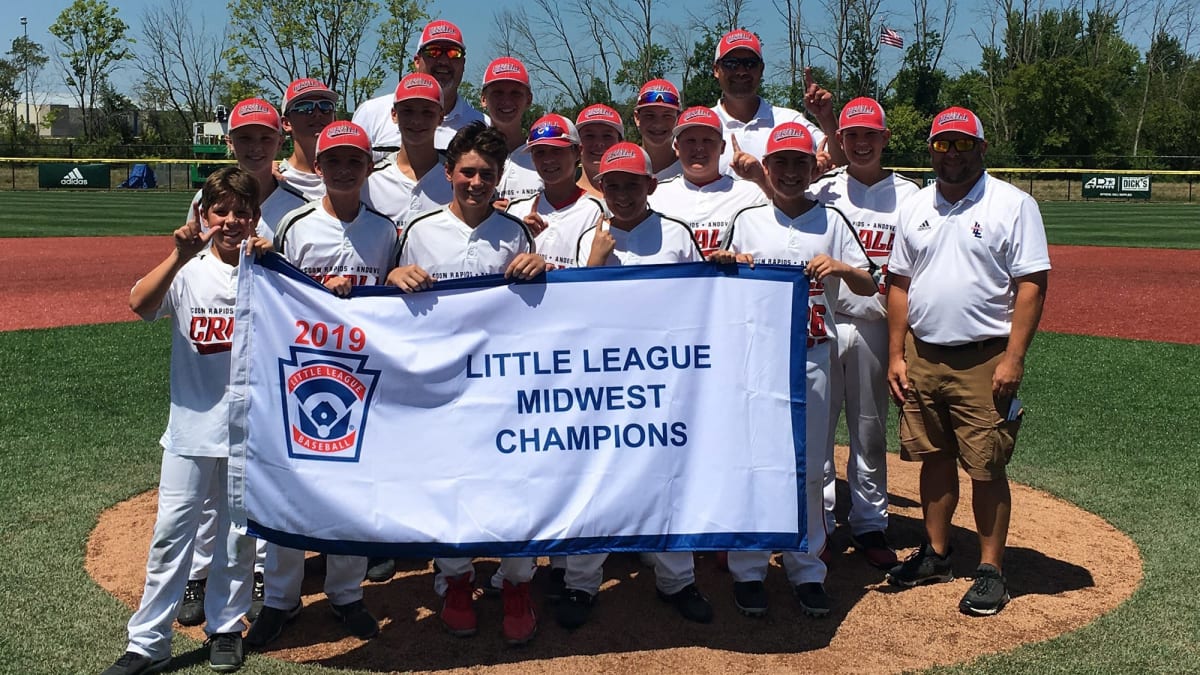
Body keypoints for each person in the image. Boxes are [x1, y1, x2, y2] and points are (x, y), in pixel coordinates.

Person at [102, 167, 269, 675]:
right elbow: (138, 304)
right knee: (172, 532)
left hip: (250, 431)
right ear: (203, 215)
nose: (232, 221)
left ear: (255, 216)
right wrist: (177, 252)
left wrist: (274, 259)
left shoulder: (269, 269)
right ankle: (148, 642)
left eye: (242, 211)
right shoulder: (188, 270)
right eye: (221, 211)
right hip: (191, 429)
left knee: (238, 535)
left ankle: (225, 626)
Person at [885, 106, 1051, 617]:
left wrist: (1014, 358)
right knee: (932, 457)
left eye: (961, 144)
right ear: (930, 149)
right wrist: (896, 352)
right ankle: (936, 553)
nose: (950, 154)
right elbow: (899, 283)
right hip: (924, 354)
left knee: (985, 465)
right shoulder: (915, 204)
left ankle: (991, 570)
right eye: (941, 144)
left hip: (985, 358)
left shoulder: (1013, 204)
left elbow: (1031, 284)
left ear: (981, 148)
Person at [385, 121, 546, 646]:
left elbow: (535, 312)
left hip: (503, 387)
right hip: (440, 385)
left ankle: (517, 582)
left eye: (488, 174)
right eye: (468, 172)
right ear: (450, 172)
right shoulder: (420, 230)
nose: (477, 182)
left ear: (500, 179)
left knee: (513, 486)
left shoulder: (513, 232)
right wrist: (392, 279)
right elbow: (389, 310)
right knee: (447, 484)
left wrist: (539, 266)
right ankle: (455, 579)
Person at [710, 122, 876, 618]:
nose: (788, 172)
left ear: (812, 167)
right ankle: (750, 568)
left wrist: (842, 269)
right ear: (766, 168)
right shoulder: (747, 217)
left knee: (811, 466)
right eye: (779, 163)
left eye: (799, 163)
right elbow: (715, 275)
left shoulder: (831, 218)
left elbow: (871, 283)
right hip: (755, 359)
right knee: (755, 462)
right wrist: (725, 261)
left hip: (811, 353)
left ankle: (807, 569)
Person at [245, 121, 394, 649]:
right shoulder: (295, 226)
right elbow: (273, 296)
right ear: (321, 167)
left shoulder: (385, 230)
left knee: (349, 490)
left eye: (355, 160)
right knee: (293, 486)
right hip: (301, 374)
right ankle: (279, 600)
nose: (344, 169)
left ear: (367, 166)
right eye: (334, 161)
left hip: (361, 376)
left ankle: (346, 593)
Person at [556, 142, 709, 630]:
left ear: (650, 185)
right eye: (612, 184)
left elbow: (707, 302)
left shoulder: (677, 235)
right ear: (600, 187)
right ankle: (580, 584)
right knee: (596, 479)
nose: (622, 193)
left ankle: (677, 580)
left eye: (632, 184)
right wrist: (595, 263)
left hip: (665, 378)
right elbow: (577, 316)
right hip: (603, 382)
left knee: (669, 479)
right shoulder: (589, 237)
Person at [177, 98, 307, 629]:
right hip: (218, 350)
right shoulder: (206, 198)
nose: (256, 147)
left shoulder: (297, 203)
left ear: (280, 140)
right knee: (212, 478)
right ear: (230, 141)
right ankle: (200, 574)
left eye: (265, 138)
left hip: (273, 354)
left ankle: (258, 575)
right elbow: (193, 266)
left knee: (266, 474)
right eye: (245, 138)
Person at [808, 97, 920, 569]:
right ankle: (824, 522)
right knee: (820, 427)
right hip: (828, 322)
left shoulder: (910, 195)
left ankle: (871, 523)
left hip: (877, 325)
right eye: (851, 135)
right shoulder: (825, 189)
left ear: (885, 138)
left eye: (869, 134)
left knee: (868, 432)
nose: (860, 142)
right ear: (840, 139)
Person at [708, 29, 844, 176]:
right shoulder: (701, 126)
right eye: (731, 63)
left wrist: (826, 118)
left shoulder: (790, 121)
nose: (741, 71)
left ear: (761, 69)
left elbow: (842, 166)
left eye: (750, 63)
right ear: (716, 69)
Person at [353, 19, 488, 160]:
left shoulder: (483, 126)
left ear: (463, 63)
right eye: (433, 52)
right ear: (417, 61)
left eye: (453, 53)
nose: (443, 61)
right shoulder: (371, 114)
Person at [648, 106, 767, 258]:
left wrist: (761, 179)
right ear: (677, 147)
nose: (698, 148)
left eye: (707, 140)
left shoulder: (751, 193)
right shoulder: (655, 196)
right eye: (690, 141)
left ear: (722, 147)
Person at [507, 113, 606, 272]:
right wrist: (520, 238)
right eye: (540, 152)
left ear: (577, 152)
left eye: (556, 150)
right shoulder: (515, 210)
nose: (548, 159)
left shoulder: (597, 212)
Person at [361, 73, 454, 235]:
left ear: (440, 117)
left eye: (427, 112)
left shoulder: (457, 180)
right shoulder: (369, 181)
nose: (417, 121)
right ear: (394, 115)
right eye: (407, 111)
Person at [481, 57, 541, 201]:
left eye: (515, 93)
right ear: (483, 99)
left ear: (529, 100)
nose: (506, 101)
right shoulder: (469, 157)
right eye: (498, 93)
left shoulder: (542, 157)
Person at [278, 78, 339, 200]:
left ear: (334, 118)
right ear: (286, 123)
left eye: (325, 106)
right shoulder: (275, 181)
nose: (317, 113)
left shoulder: (353, 175)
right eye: (305, 107)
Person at [633, 79, 682, 179]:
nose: (658, 124)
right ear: (637, 118)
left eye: (667, 115)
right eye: (649, 115)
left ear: (679, 118)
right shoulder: (623, 168)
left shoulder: (691, 172)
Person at [574, 104, 624, 199]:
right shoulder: (564, 199)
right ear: (577, 144)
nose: (599, 143)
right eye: (589, 136)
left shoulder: (640, 196)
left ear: (621, 143)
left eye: (607, 136)